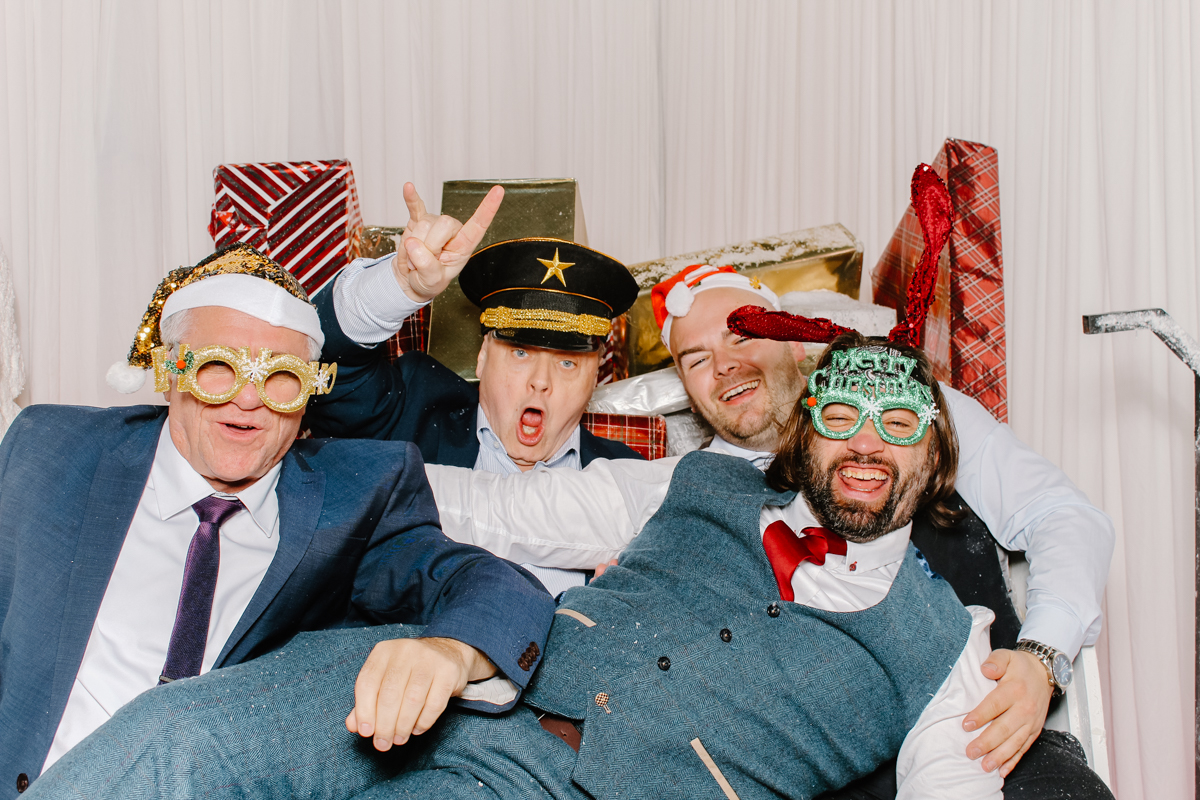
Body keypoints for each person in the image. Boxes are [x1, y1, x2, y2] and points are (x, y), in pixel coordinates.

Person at [29, 335, 1004, 800]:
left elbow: (954, 788)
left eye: (898, 422)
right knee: (172, 739)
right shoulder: (695, 476)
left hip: (572, 792)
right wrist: (295, 464)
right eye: (841, 415)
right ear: (806, 433)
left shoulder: (944, 647)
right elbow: (503, 512)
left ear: (937, 454)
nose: (865, 440)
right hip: (462, 669)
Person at [424, 273, 1114, 790]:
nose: (722, 363)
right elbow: (510, 512)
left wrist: (1041, 656)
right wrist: (342, 476)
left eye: (741, 332)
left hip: (973, 715)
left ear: (795, 340)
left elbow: (1063, 515)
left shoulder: (904, 404)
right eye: (694, 359)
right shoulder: (693, 480)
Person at [0, 244, 554, 798]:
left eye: (281, 377)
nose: (249, 400)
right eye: (218, 367)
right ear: (169, 370)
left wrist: (450, 652)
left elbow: (493, 585)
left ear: (310, 390)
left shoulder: (358, 494)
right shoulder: (53, 449)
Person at [304, 184, 643, 596]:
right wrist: (398, 286)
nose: (541, 380)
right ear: (483, 356)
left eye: (568, 361)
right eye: (520, 352)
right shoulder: (415, 410)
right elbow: (324, 372)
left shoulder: (628, 477)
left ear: (596, 375)